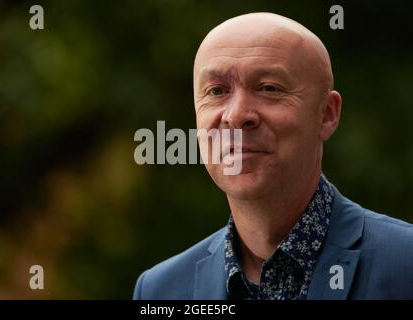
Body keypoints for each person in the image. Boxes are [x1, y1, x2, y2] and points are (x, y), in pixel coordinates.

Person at [133, 12, 413, 300]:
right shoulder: (160, 291)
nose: (237, 115)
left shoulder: (405, 265)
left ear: (327, 114)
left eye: (269, 88)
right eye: (216, 91)